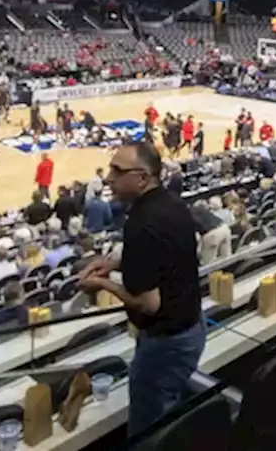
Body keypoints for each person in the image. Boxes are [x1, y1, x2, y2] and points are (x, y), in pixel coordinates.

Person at [77, 143, 204, 435]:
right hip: (191, 327)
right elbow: (163, 259)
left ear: (142, 177)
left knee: (149, 429)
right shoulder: (172, 203)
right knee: (170, 411)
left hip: (166, 343)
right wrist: (113, 264)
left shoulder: (141, 225)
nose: (109, 178)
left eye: (118, 171)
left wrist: (102, 283)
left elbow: (148, 304)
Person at [192, 201, 231, 265]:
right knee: (227, 260)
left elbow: (197, 237)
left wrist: (198, 250)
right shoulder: (196, 208)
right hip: (224, 228)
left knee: (208, 264)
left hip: (212, 234)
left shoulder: (185, 216)